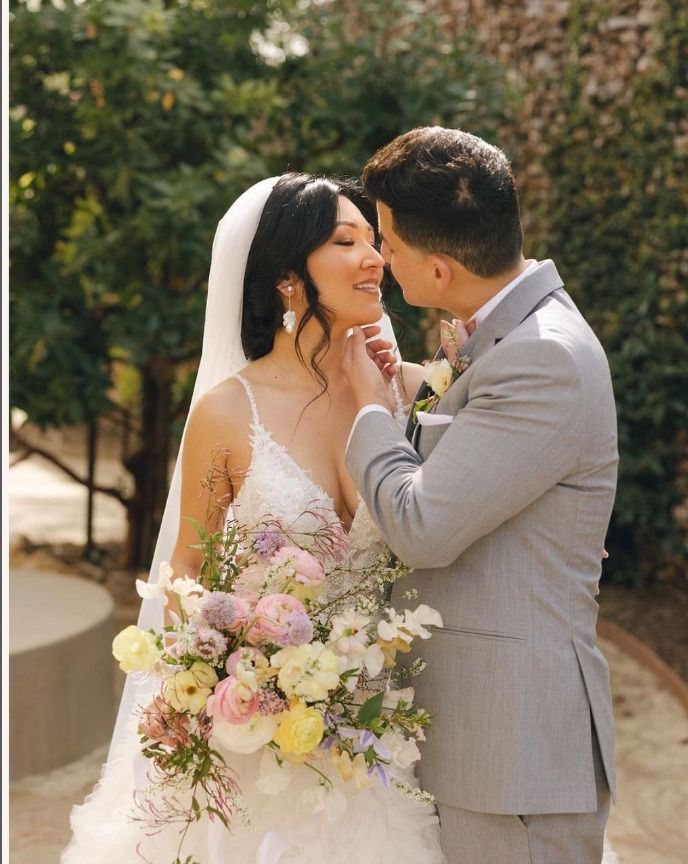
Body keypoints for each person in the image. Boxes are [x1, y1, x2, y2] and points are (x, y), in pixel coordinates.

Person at [61, 173, 444, 864]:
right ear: (289, 280)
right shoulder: (229, 412)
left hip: (376, 736)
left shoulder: (410, 392)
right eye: (344, 240)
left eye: (372, 240)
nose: (374, 257)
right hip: (252, 745)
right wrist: (221, 675)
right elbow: (184, 569)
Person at [342, 127, 619, 864]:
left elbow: (423, 524)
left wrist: (365, 407)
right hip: (482, 741)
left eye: (388, 243)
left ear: (436, 269)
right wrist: (408, 385)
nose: (379, 259)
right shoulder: (512, 335)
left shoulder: (542, 357)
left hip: (513, 755)